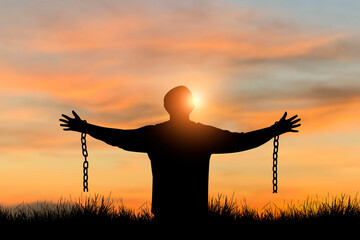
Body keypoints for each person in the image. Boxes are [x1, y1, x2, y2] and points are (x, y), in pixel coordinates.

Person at [59, 86, 301, 221]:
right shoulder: (202, 136)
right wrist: (274, 130)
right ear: (192, 107)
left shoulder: (154, 136)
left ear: (166, 107)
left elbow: (119, 137)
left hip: (165, 217)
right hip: (195, 218)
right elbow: (241, 141)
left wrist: (86, 128)